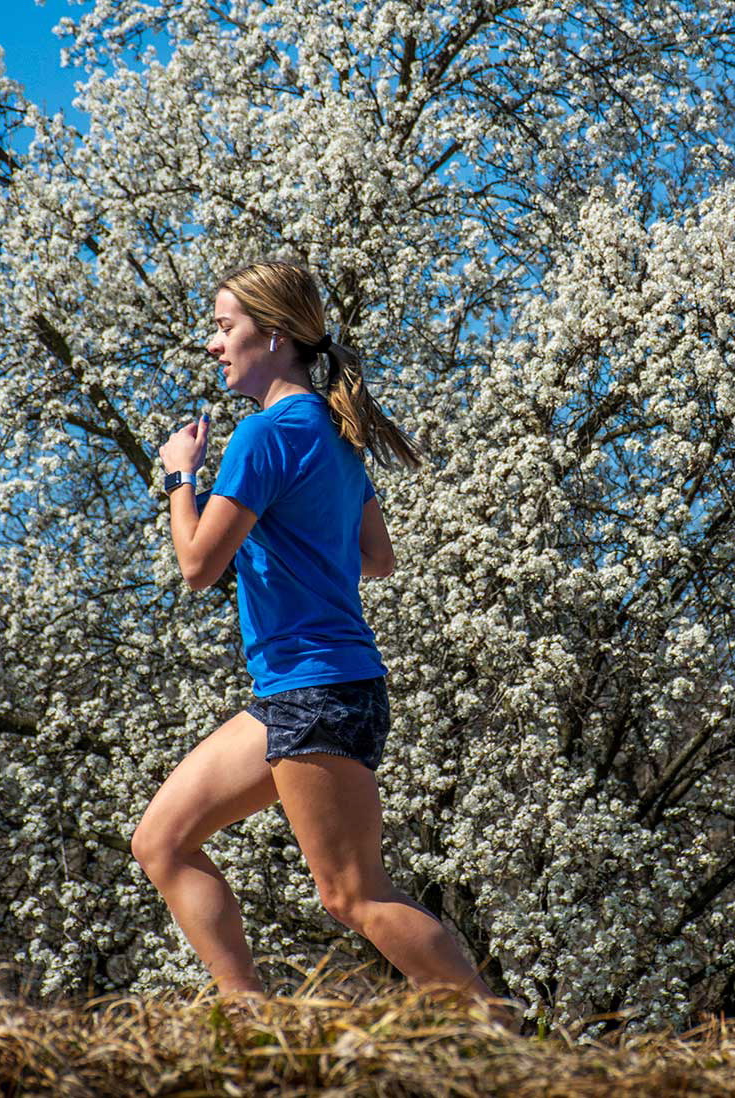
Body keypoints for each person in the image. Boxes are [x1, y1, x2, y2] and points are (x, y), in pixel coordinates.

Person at [131, 260, 513, 1029]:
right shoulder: (333, 438)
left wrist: (182, 479)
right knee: (161, 842)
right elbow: (378, 555)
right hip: (305, 691)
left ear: (273, 336)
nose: (214, 345)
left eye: (224, 327)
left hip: (317, 691)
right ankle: (254, 1026)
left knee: (352, 895)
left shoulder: (265, 435)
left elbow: (200, 566)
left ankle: (501, 1037)